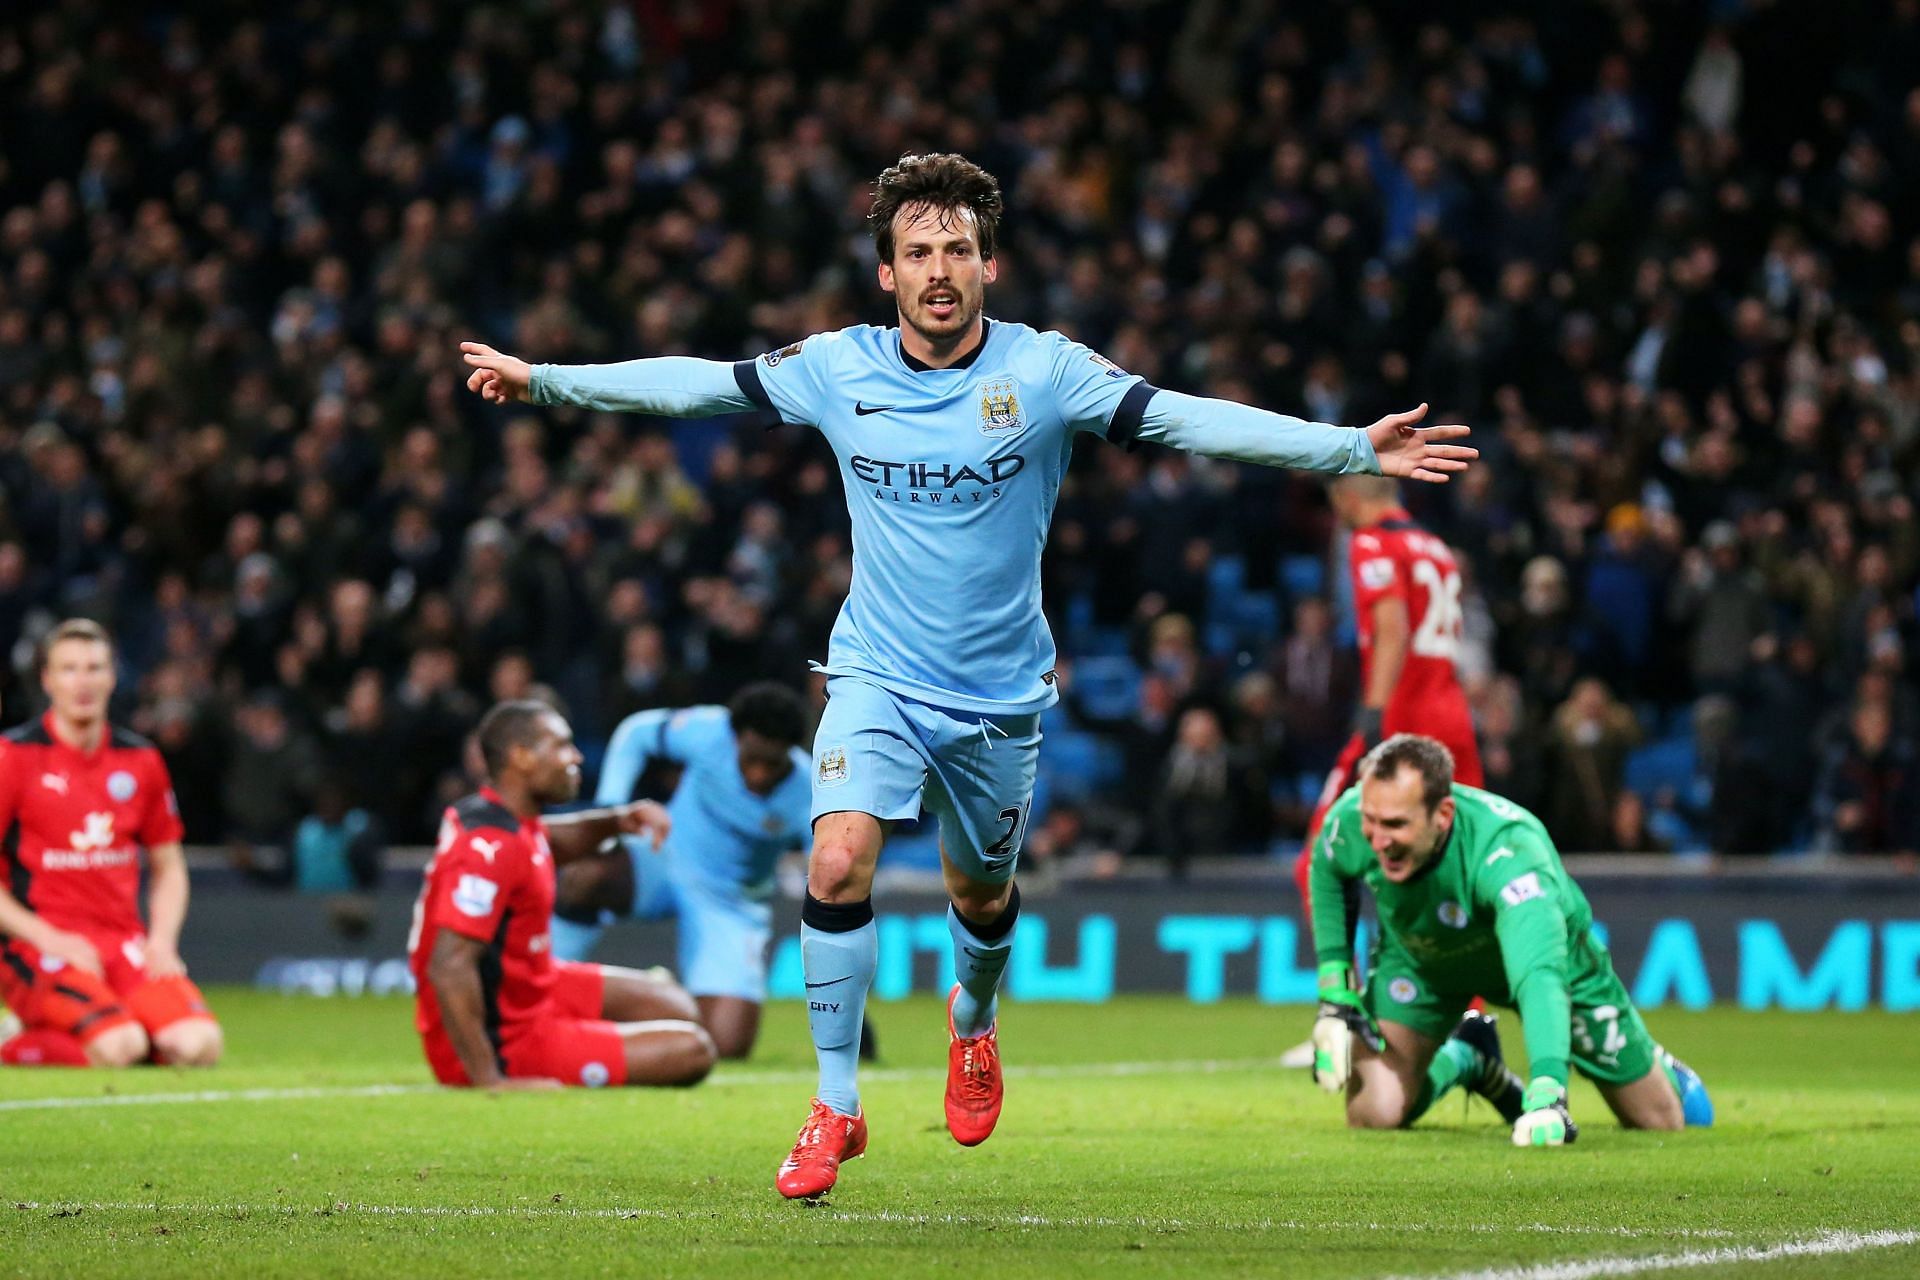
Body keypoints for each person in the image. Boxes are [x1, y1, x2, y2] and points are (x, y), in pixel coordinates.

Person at [460, 152, 1476, 1197]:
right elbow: (694, 385)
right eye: (917, 252)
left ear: (989, 264)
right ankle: (834, 1104)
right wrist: (546, 378)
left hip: (998, 699)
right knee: (835, 861)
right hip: (875, 675)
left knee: (978, 894)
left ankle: (973, 1023)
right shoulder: (836, 366)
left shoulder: (1045, 373)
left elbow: (1187, 416)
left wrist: (1348, 447)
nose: (938, 269)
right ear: (886, 275)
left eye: (956, 249)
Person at [1307, 734, 1714, 1145]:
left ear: (1443, 815)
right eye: (1371, 821)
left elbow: (1540, 976)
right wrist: (1336, 995)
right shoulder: (1352, 819)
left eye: (1395, 825)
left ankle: (1654, 1062)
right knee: (1372, 1111)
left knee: (1661, 1118)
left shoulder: (1509, 850)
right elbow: (1327, 867)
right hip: (1423, 962)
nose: (1377, 840)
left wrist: (1547, 1096)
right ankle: (1469, 1058)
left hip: (1552, 969)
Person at [1283, 474, 1485, 1068]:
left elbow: (1392, 628)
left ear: (1349, 495)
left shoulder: (1370, 542)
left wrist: (1372, 717)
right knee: (1461, 875)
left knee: (1318, 857)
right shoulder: (1436, 547)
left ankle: (1344, 1011)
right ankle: (1470, 1022)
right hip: (1454, 716)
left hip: (1403, 716)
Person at [409, 699, 716, 1090]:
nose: (575, 757)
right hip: (507, 1036)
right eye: (560, 745)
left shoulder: (502, 819)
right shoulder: (489, 846)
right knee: (693, 1050)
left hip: (533, 986)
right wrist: (489, 1078)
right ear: (521, 757)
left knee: (676, 1004)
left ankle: (579, 1038)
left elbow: (549, 841)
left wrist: (618, 820)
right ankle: (562, 1048)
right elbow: (449, 966)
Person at [549, 683, 813, 1060]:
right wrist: (611, 812)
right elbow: (635, 734)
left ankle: (657, 993)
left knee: (726, 1045)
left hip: (728, 901)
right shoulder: (709, 730)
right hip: (663, 856)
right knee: (586, 875)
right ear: (736, 737)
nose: (758, 774)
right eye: (751, 758)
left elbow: (826, 875)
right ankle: (542, 985)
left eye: (772, 763)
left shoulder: (809, 790)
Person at [0, 619, 222, 1068]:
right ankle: (14, 1045)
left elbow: (169, 866)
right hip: (38, 948)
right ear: (47, 680)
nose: (83, 682)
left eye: (94, 668)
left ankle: (65, 1030)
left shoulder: (140, 760)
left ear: (113, 676)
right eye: (69, 669)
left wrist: (161, 941)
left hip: (122, 943)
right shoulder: (13, 757)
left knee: (199, 1045)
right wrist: (51, 939)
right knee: (121, 1046)